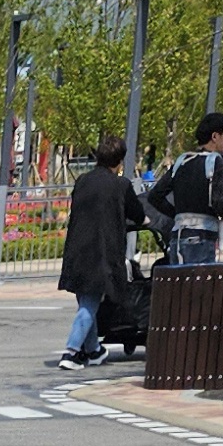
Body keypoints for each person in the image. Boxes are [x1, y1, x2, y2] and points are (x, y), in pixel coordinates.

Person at [58, 137, 149, 366]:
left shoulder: (82, 181)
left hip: (77, 249)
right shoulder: (121, 185)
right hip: (102, 252)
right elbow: (138, 214)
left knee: (86, 300)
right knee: (90, 302)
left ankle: (94, 350)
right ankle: (71, 352)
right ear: (119, 161)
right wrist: (147, 220)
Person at [152, 114, 223, 264]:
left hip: (177, 237)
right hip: (202, 238)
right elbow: (220, 204)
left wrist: (177, 213)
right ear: (215, 136)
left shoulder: (182, 161)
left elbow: (155, 196)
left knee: (178, 280)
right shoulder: (217, 162)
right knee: (199, 280)